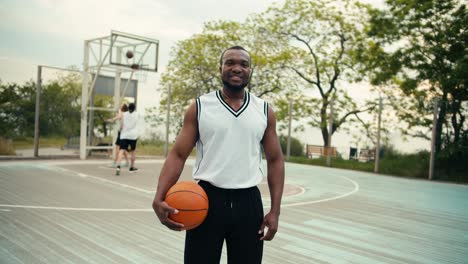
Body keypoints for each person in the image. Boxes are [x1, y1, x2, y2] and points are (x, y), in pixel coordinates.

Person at [152, 46, 285, 263]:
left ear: (250, 70)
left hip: (249, 203)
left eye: (243, 64)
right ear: (220, 68)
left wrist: (275, 211)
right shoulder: (200, 107)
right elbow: (177, 155)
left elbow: (275, 159)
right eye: (230, 62)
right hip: (206, 200)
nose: (237, 68)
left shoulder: (264, 110)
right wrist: (159, 197)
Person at [115, 102, 139, 175]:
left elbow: (121, 125)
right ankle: (131, 167)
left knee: (121, 150)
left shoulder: (124, 114)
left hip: (124, 135)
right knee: (133, 151)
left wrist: (121, 130)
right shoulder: (137, 114)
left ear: (128, 108)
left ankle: (118, 166)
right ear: (134, 108)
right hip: (133, 135)